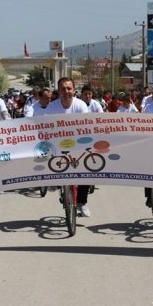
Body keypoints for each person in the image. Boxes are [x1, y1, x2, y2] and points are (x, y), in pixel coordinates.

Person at [46, 77, 92, 217]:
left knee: (86, 169)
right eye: (63, 89)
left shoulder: (81, 105)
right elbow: (47, 128)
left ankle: (81, 202)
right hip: (58, 142)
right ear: (59, 91)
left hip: (77, 141)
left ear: (74, 90)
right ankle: (54, 180)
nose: (66, 91)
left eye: (69, 88)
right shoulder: (52, 107)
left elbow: (85, 127)